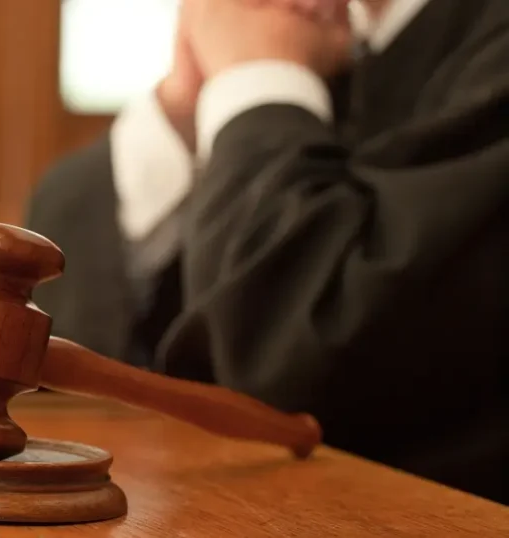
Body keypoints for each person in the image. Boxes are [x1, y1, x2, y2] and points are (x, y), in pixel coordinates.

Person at [25, 0, 508, 504]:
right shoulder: (338, 35)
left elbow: (287, 360)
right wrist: (189, 112)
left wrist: (257, 81)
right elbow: (60, 304)